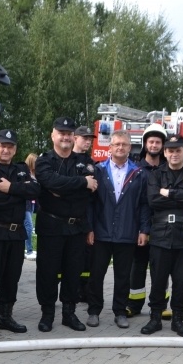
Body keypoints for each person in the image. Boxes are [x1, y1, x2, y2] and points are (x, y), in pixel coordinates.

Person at [0, 129, 40, 338]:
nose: (6, 149)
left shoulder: (21, 169)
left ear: (15, 149)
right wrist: (20, 192)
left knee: (12, 278)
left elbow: (35, 191)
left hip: (16, 234)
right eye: (2, 145)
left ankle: (5, 316)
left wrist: (11, 188)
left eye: (10, 146)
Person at [35, 117, 98, 332]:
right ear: (53, 135)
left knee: (73, 272)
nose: (65, 136)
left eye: (69, 133)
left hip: (76, 227)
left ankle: (69, 314)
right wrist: (81, 183)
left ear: (74, 137)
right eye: (61, 132)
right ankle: (47, 315)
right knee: (48, 272)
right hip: (51, 226)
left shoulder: (83, 163)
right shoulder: (44, 161)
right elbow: (50, 182)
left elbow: (88, 194)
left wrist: (64, 189)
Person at [85, 129, 150, 329]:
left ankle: (120, 311)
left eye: (124, 144)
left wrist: (143, 230)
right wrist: (89, 228)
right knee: (96, 274)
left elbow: (144, 204)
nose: (120, 147)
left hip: (127, 233)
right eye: (116, 144)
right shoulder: (98, 170)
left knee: (123, 276)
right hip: (101, 232)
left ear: (130, 148)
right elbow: (90, 203)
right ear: (110, 148)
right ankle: (94, 311)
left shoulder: (139, 173)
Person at [141, 134, 183, 337]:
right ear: (165, 152)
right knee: (158, 279)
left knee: (181, 280)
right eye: (170, 150)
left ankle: (178, 319)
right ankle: (155, 318)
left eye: (178, 150)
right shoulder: (156, 174)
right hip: (160, 234)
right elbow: (153, 200)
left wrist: (168, 193)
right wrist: (181, 196)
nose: (174, 154)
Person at [127, 124, 167, 317]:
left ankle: (161, 306)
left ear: (163, 145)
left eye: (158, 141)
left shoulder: (169, 169)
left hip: (163, 225)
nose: (154, 145)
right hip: (139, 225)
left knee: (161, 268)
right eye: (150, 141)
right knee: (137, 266)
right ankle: (134, 305)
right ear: (145, 144)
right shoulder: (135, 169)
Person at [73, 125, 96, 301]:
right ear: (75, 138)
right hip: (63, 216)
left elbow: (92, 192)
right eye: (85, 138)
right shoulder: (66, 158)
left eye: (90, 139)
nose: (88, 141)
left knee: (86, 257)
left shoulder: (91, 163)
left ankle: (83, 290)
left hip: (84, 215)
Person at [23, 153, 38, 260]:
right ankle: (29, 250)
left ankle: (27, 249)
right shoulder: (26, 174)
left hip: (32, 203)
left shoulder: (36, 174)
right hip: (25, 204)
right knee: (28, 226)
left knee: (29, 226)